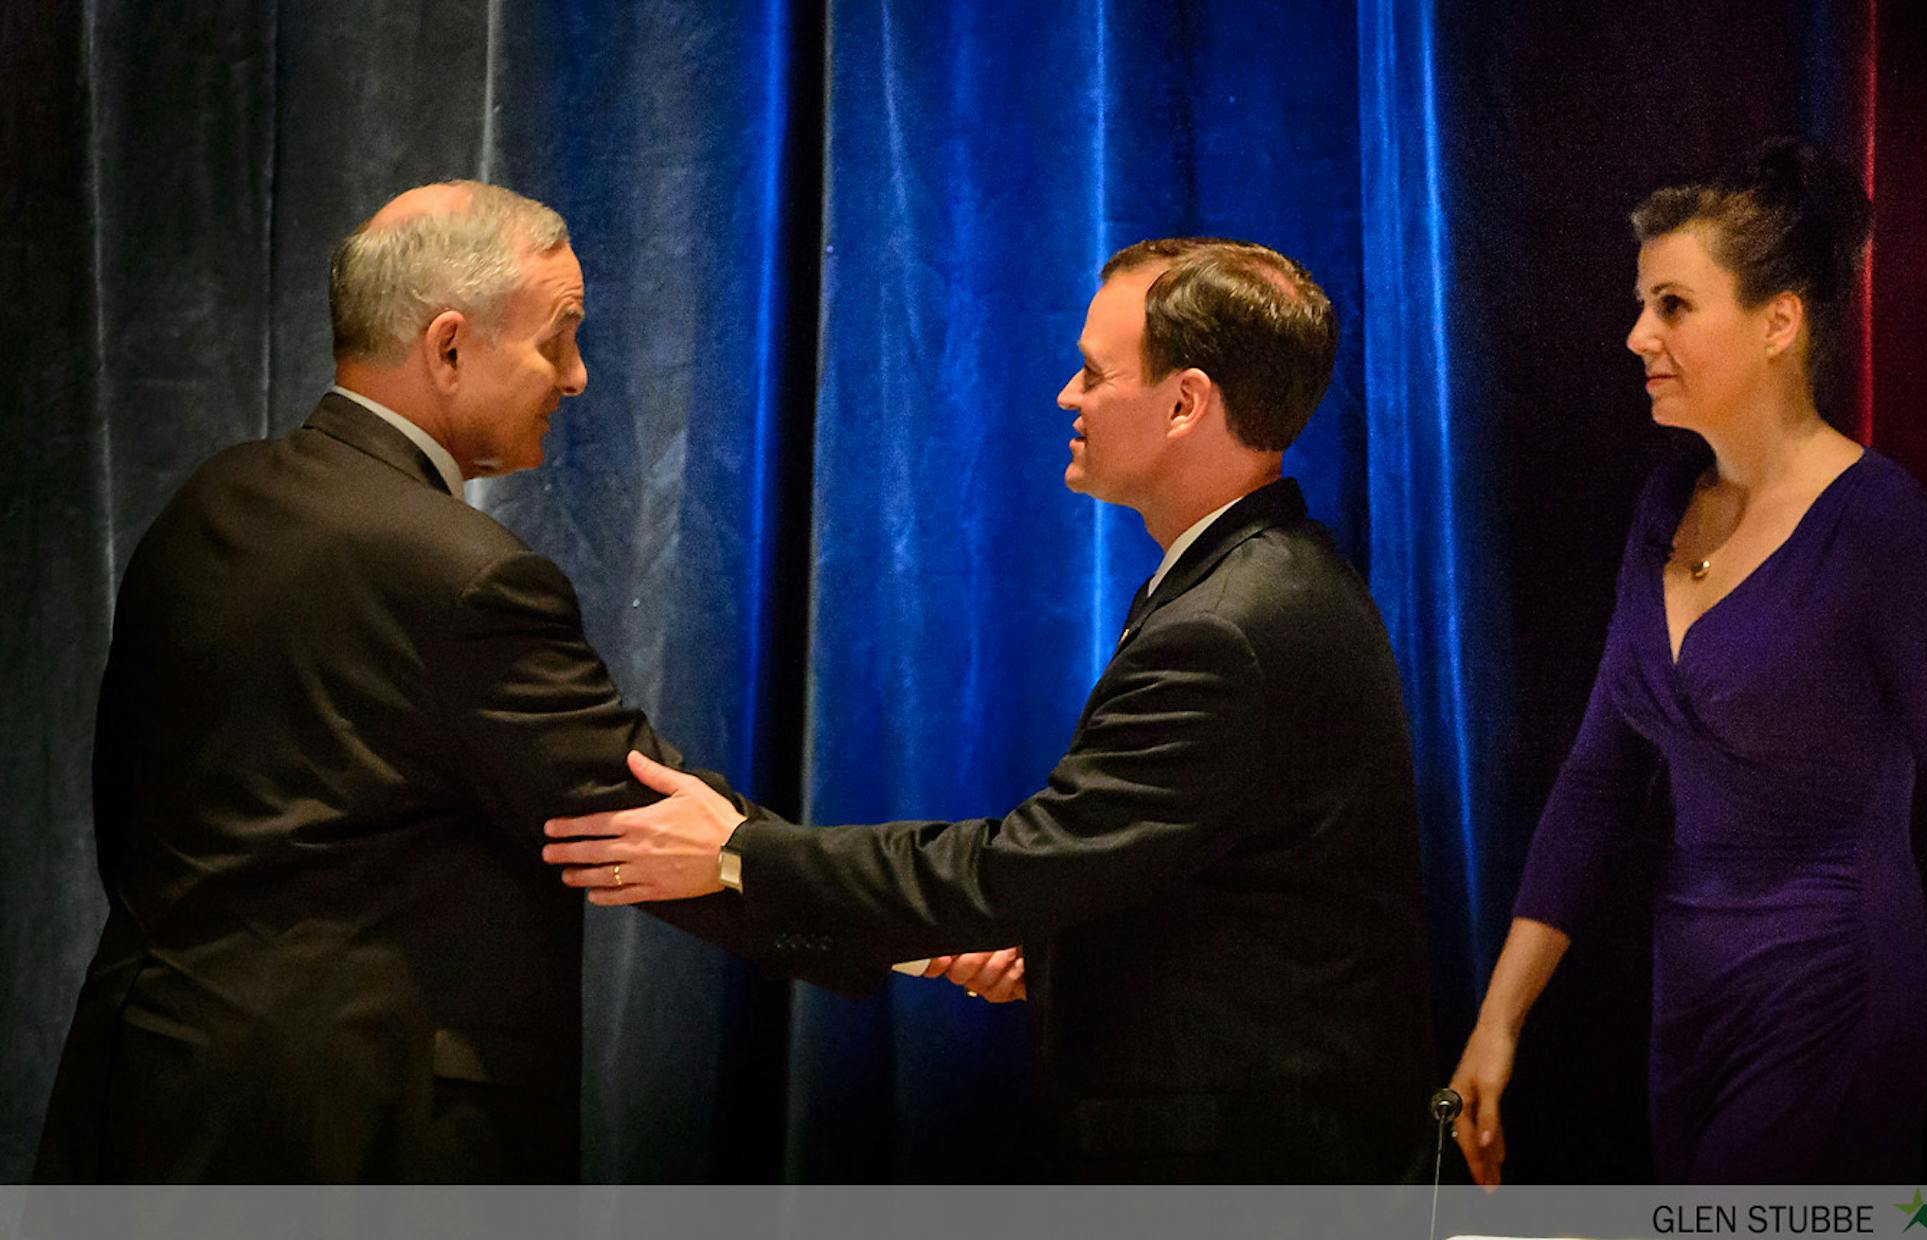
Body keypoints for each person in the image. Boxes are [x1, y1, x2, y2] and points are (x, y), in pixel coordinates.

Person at [541, 238, 1437, 1182]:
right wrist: (1036, 939)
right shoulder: (1258, 580)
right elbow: (1161, 881)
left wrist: (736, 854)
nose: (1066, 395)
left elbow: (1024, 866)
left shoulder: (1231, 624)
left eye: (1095, 372)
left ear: (1186, 402)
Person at [34, 181, 872, 1182]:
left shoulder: (204, 507)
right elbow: (631, 813)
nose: (578, 376)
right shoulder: (460, 574)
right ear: (448, 348)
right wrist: (913, 926)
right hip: (352, 1141)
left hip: (142, 1102)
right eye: (558, 339)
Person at [1445, 139, 1927, 1187]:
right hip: (1688, 999)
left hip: (1838, 989)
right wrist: (1498, 1021)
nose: (1638, 335)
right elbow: (1597, 782)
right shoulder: (1661, 506)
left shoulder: (1888, 530)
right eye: (1643, 305)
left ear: (1781, 321)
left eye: (1674, 306)